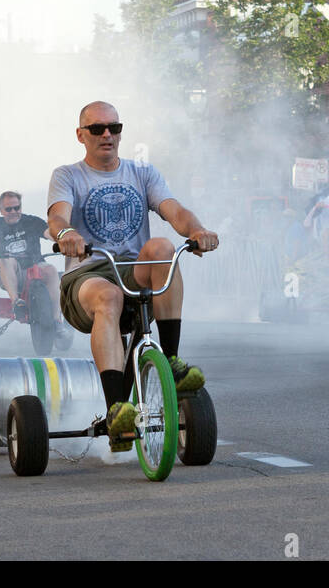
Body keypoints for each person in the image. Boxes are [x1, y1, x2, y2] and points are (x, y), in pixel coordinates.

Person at [47, 101, 218, 452]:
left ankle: (169, 360)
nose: (107, 134)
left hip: (132, 271)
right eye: (97, 129)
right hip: (88, 273)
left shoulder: (142, 172)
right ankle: (118, 409)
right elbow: (57, 218)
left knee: (162, 247)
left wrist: (198, 231)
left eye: (114, 127)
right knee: (109, 296)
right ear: (81, 135)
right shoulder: (67, 175)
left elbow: (175, 211)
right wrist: (67, 237)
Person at [0, 191, 63, 328]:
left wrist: (64, 239)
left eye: (17, 208)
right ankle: (16, 303)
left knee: (51, 269)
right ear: (1, 211)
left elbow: (49, 233)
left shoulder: (32, 221)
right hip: (9, 272)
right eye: (8, 209)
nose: (13, 211)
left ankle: (56, 321)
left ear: (21, 207)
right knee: (7, 260)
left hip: (35, 267)